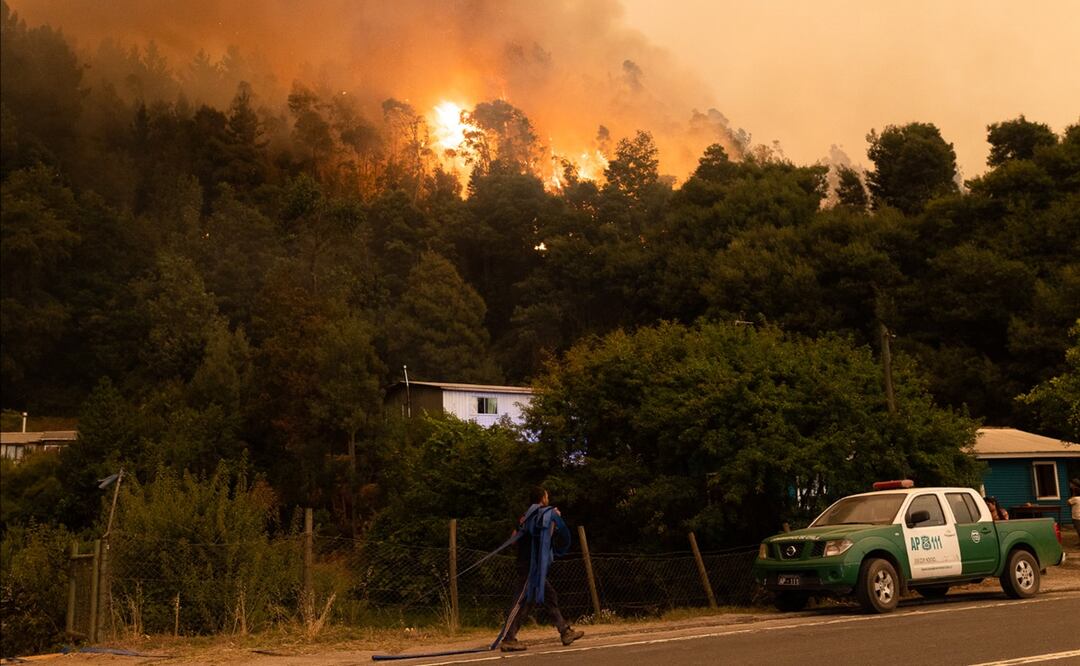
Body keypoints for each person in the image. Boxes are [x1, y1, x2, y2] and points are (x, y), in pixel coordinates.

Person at [499, 486, 584, 652]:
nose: (548, 499)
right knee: (520, 602)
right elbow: (546, 537)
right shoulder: (546, 515)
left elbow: (513, 539)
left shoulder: (525, 517)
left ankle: (564, 631)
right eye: (547, 496)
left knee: (549, 596)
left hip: (528, 565)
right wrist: (554, 521)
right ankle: (508, 639)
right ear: (543, 498)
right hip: (530, 567)